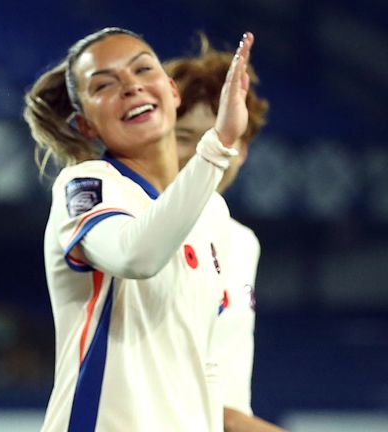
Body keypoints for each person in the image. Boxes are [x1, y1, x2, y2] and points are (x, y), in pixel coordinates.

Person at [23, 28, 254, 431]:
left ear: (171, 91)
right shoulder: (87, 185)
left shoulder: (212, 211)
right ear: (86, 125)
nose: (130, 87)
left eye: (142, 69)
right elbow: (136, 255)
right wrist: (217, 144)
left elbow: (205, 367)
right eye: (104, 84)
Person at [165, 36, 284, 432]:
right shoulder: (139, 230)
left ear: (244, 149)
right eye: (184, 136)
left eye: (221, 134)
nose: (204, 150)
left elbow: (228, 398)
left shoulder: (243, 242)